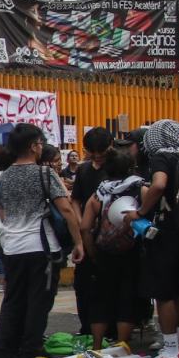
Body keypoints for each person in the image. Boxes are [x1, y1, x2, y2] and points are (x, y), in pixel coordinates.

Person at [0, 124, 85, 358]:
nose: (42, 147)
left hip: (11, 247)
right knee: (38, 302)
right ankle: (30, 354)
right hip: (41, 247)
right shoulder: (44, 174)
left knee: (12, 301)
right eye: (40, 143)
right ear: (33, 146)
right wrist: (78, 242)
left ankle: (0, 355)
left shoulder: (2, 176)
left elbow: (2, 213)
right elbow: (65, 210)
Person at [123, 120, 179, 358]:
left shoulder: (162, 157)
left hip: (165, 230)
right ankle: (176, 343)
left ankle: (170, 352)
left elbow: (158, 185)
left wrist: (141, 212)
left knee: (163, 291)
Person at [79, 148, 145, 349]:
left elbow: (84, 226)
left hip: (104, 252)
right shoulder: (139, 188)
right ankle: (122, 346)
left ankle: (97, 345)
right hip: (131, 251)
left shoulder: (99, 192)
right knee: (127, 296)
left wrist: (92, 251)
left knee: (100, 298)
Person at [70, 128, 114, 335]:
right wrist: (81, 223)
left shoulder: (118, 167)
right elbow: (75, 199)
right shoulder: (84, 169)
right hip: (87, 234)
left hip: (113, 236)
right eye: (92, 152)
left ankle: (111, 328)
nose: (97, 157)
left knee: (110, 282)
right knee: (83, 283)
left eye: (101, 152)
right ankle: (86, 326)